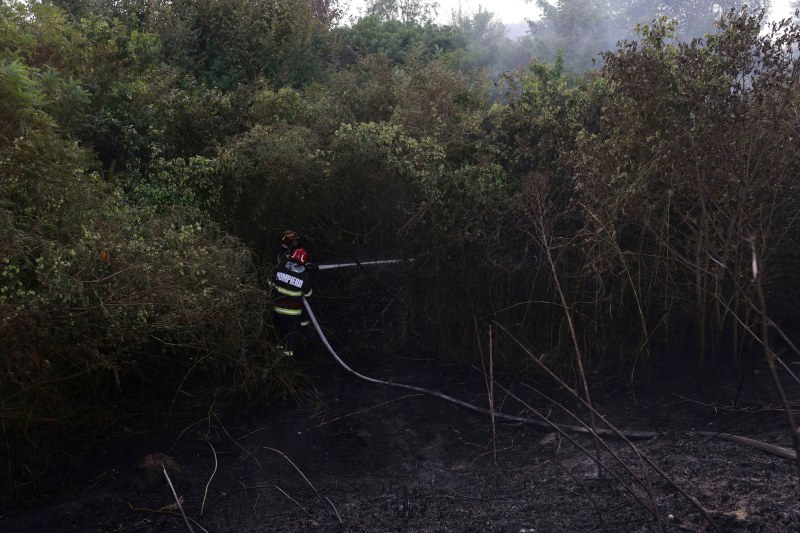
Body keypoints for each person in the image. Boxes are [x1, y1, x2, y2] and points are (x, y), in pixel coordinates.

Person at [272, 247, 313, 357]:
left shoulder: (279, 270)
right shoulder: (304, 279)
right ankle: (288, 355)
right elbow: (309, 295)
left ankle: (277, 350)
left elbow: (269, 284)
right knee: (291, 333)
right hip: (293, 313)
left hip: (277, 309)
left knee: (280, 330)